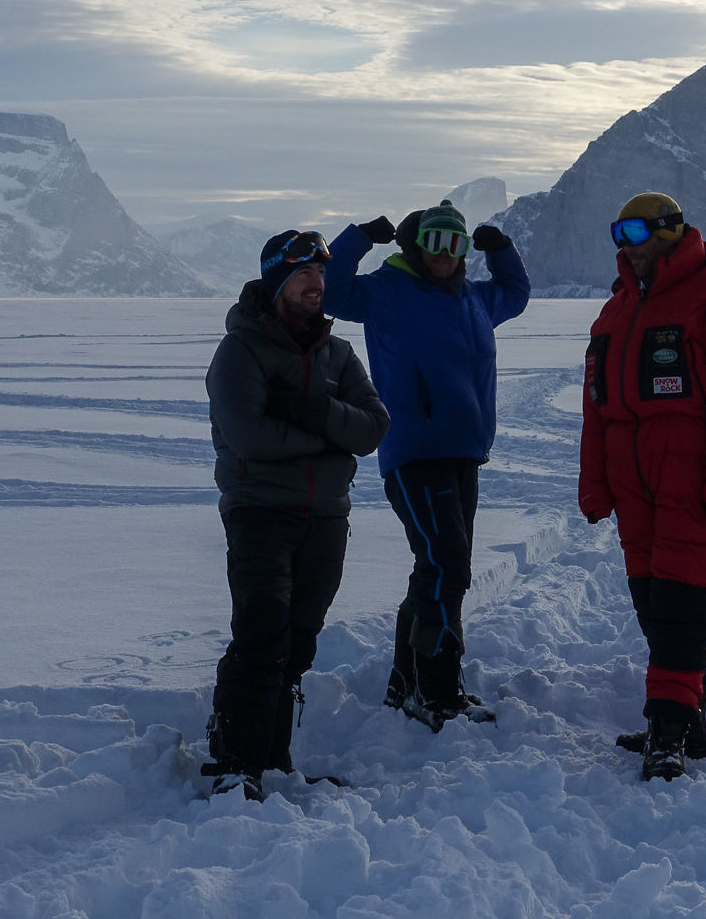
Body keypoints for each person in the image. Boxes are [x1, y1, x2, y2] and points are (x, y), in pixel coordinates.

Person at [578, 192, 706, 780]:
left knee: (683, 603)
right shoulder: (615, 311)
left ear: (669, 232)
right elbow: (597, 408)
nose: (626, 246)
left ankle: (667, 729)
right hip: (631, 483)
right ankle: (686, 708)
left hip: (692, 480)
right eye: (617, 233)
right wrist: (596, 485)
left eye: (635, 232)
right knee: (652, 603)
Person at [324, 199, 530, 730]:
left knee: (436, 568)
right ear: (416, 247)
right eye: (435, 243)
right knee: (448, 567)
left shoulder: (475, 299)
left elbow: (517, 294)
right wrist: (357, 237)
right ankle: (436, 692)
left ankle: (405, 683)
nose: (445, 254)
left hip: (464, 453)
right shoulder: (387, 291)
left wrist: (502, 250)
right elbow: (333, 289)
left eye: (455, 244)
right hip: (415, 452)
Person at [202, 229, 391, 799]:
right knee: (261, 633)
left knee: (299, 640)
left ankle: (274, 759)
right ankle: (235, 762)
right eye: (304, 274)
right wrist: (331, 435)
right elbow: (249, 438)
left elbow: (375, 426)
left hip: (327, 516)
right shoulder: (241, 351)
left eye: (322, 275)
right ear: (277, 281)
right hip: (259, 510)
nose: (316, 284)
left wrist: (310, 410)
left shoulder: (338, 352)